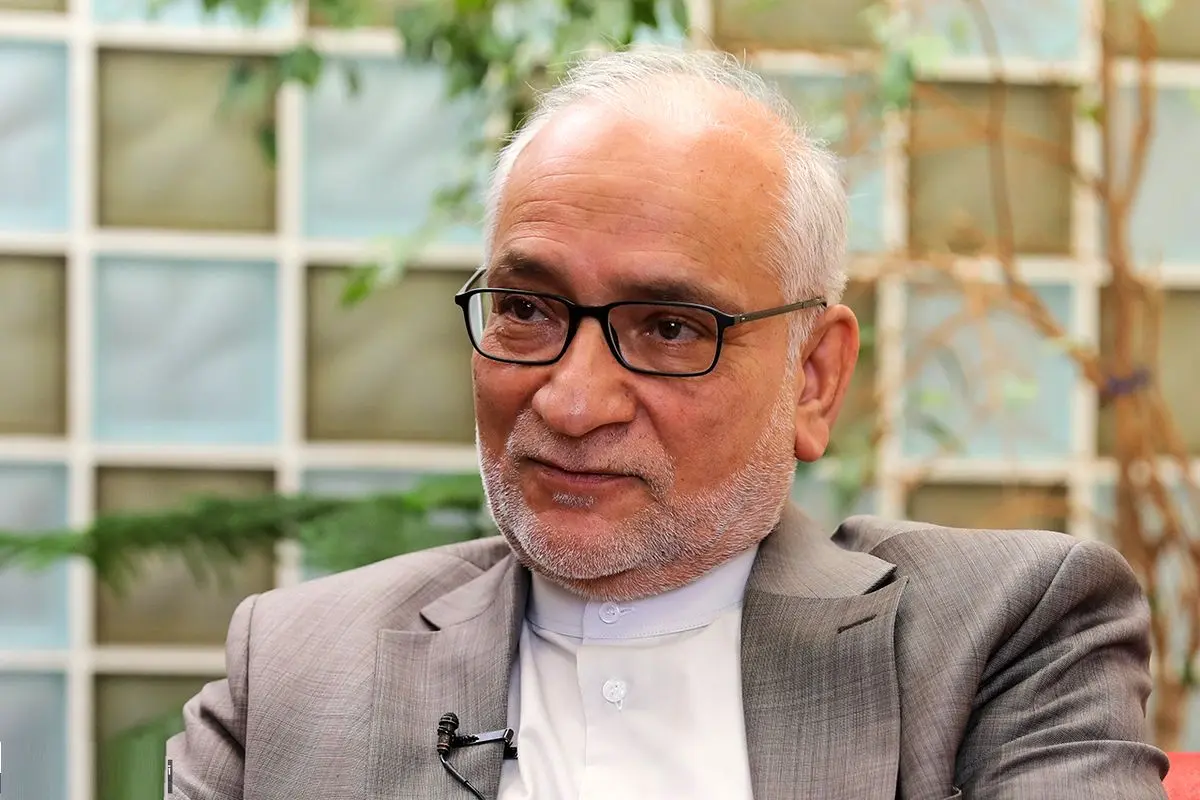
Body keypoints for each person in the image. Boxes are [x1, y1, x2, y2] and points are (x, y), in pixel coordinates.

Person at [166, 48, 1169, 799]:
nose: (570, 402)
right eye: (527, 309)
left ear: (813, 379)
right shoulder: (296, 666)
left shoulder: (1000, 635)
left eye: (671, 328)